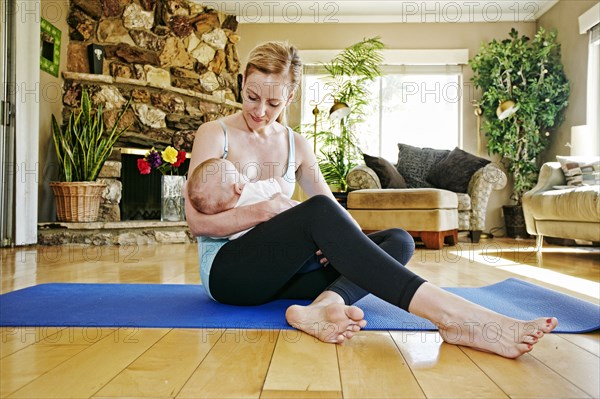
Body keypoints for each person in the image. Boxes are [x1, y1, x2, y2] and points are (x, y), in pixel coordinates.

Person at [184, 41, 557, 359]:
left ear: (291, 97)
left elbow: (329, 209)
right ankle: (456, 317)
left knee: (398, 239)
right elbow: (197, 223)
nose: (260, 111)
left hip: (286, 277)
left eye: (273, 102)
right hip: (230, 274)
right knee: (318, 215)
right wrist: (269, 208)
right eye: (251, 96)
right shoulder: (215, 134)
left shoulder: (296, 144)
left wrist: (337, 243)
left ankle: (324, 305)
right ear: (242, 83)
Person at [187, 157, 286, 240]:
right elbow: (279, 183)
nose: (244, 176)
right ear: (238, 188)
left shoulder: (223, 227)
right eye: (239, 174)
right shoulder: (252, 190)